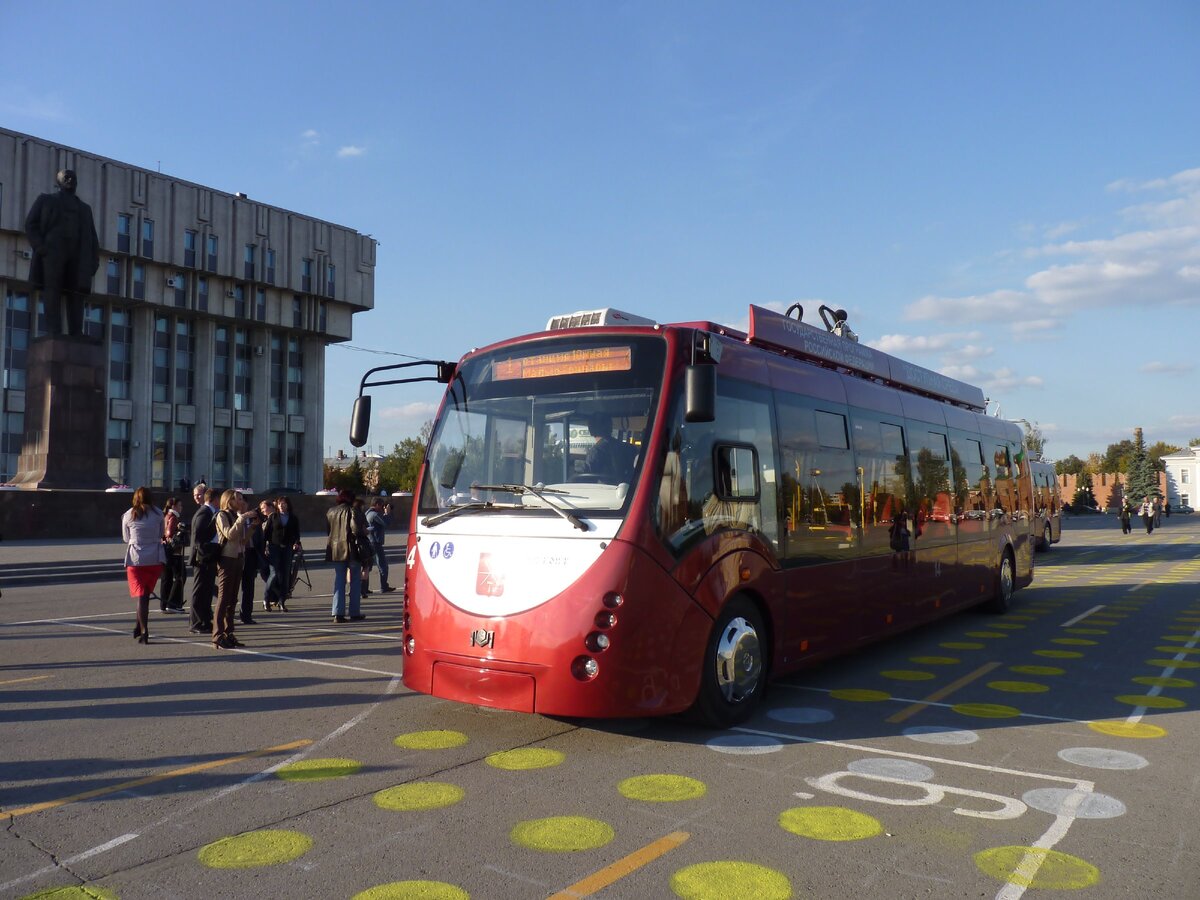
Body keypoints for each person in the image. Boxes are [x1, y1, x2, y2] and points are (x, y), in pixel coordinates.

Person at [23, 169, 100, 337]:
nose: (70, 179)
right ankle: (54, 331)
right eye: (66, 177)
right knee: (52, 290)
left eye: (73, 177)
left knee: (77, 293)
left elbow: (92, 237)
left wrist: (94, 261)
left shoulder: (85, 209)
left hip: (77, 256)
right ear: (59, 181)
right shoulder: (46, 200)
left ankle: (76, 332)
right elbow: (31, 224)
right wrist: (40, 247)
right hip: (53, 253)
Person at [213, 489, 258, 649]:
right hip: (227, 559)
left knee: (232, 599)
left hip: (239, 558)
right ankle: (217, 635)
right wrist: (243, 518)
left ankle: (229, 632)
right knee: (224, 597)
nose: (241, 502)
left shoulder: (236, 516)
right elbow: (229, 535)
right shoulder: (222, 515)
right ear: (229, 500)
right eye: (238, 499)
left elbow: (243, 540)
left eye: (241, 499)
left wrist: (252, 526)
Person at [121, 487, 165, 644]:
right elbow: (161, 534)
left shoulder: (129, 514)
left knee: (141, 596)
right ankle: (138, 627)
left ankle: (145, 631)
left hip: (136, 559)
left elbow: (126, 538)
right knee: (144, 594)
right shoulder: (159, 513)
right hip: (154, 558)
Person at [326, 488, 370, 623]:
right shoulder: (353, 510)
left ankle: (337, 613)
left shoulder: (331, 512)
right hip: (352, 550)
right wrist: (365, 532)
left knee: (339, 580)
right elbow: (356, 530)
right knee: (355, 581)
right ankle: (354, 612)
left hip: (336, 550)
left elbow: (329, 531)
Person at [189, 487, 220, 634]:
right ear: (214, 499)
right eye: (219, 499)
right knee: (200, 590)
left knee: (207, 590)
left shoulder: (210, 512)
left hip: (209, 556)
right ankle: (196, 623)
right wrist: (205, 555)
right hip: (202, 557)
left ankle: (205, 620)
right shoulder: (204, 512)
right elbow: (199, 538)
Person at [264, 495, 301, 611]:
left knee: (285, 575)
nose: (281, 505)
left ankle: (281, 601)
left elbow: (297, 533)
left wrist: (296, 543)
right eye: (279, 503)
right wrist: (265, 546)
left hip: (288, 548)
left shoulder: (293, 518)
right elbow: (266, 533)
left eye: (284, 503)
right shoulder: (273, 517)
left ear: (288, 505)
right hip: (274, 547)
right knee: (274, 573)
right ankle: (266, 599)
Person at [238, 499, 271, 625]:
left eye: (244, 503)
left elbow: (260, 536)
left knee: (249, 586)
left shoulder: (254, 519)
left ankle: (246, 615)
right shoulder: (233, 518)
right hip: (238, 554)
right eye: (239, 502)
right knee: (233, 587)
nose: (242, 505)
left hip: (251, 553)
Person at [583, 412, 636, 482]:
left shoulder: (595, 452)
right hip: (629, 491)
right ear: (610, 428)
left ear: (591, 430)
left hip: (603, 491)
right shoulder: (629, 448)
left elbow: (586, 481)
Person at [159, 496, 188, 612]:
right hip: (174, 552)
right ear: (173, 506)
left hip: (164, 550)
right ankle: (173, 604)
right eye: (179, 505)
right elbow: (170, 533)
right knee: (180, 576)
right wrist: (180, 532)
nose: (181, 508)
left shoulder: (165, 516)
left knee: (167, 578)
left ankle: (164, 604)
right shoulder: (173, 517)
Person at [366, 498, 397, 594]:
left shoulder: (367, 513)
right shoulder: (374, 515)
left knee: (367, 567)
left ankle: (364, 588)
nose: (382, 507)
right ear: (377, 504)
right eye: (382, 505)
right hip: (375, 543)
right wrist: (387, 513)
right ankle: (384, 586)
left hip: (369, 542)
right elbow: (385, 523)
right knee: (383, 566)